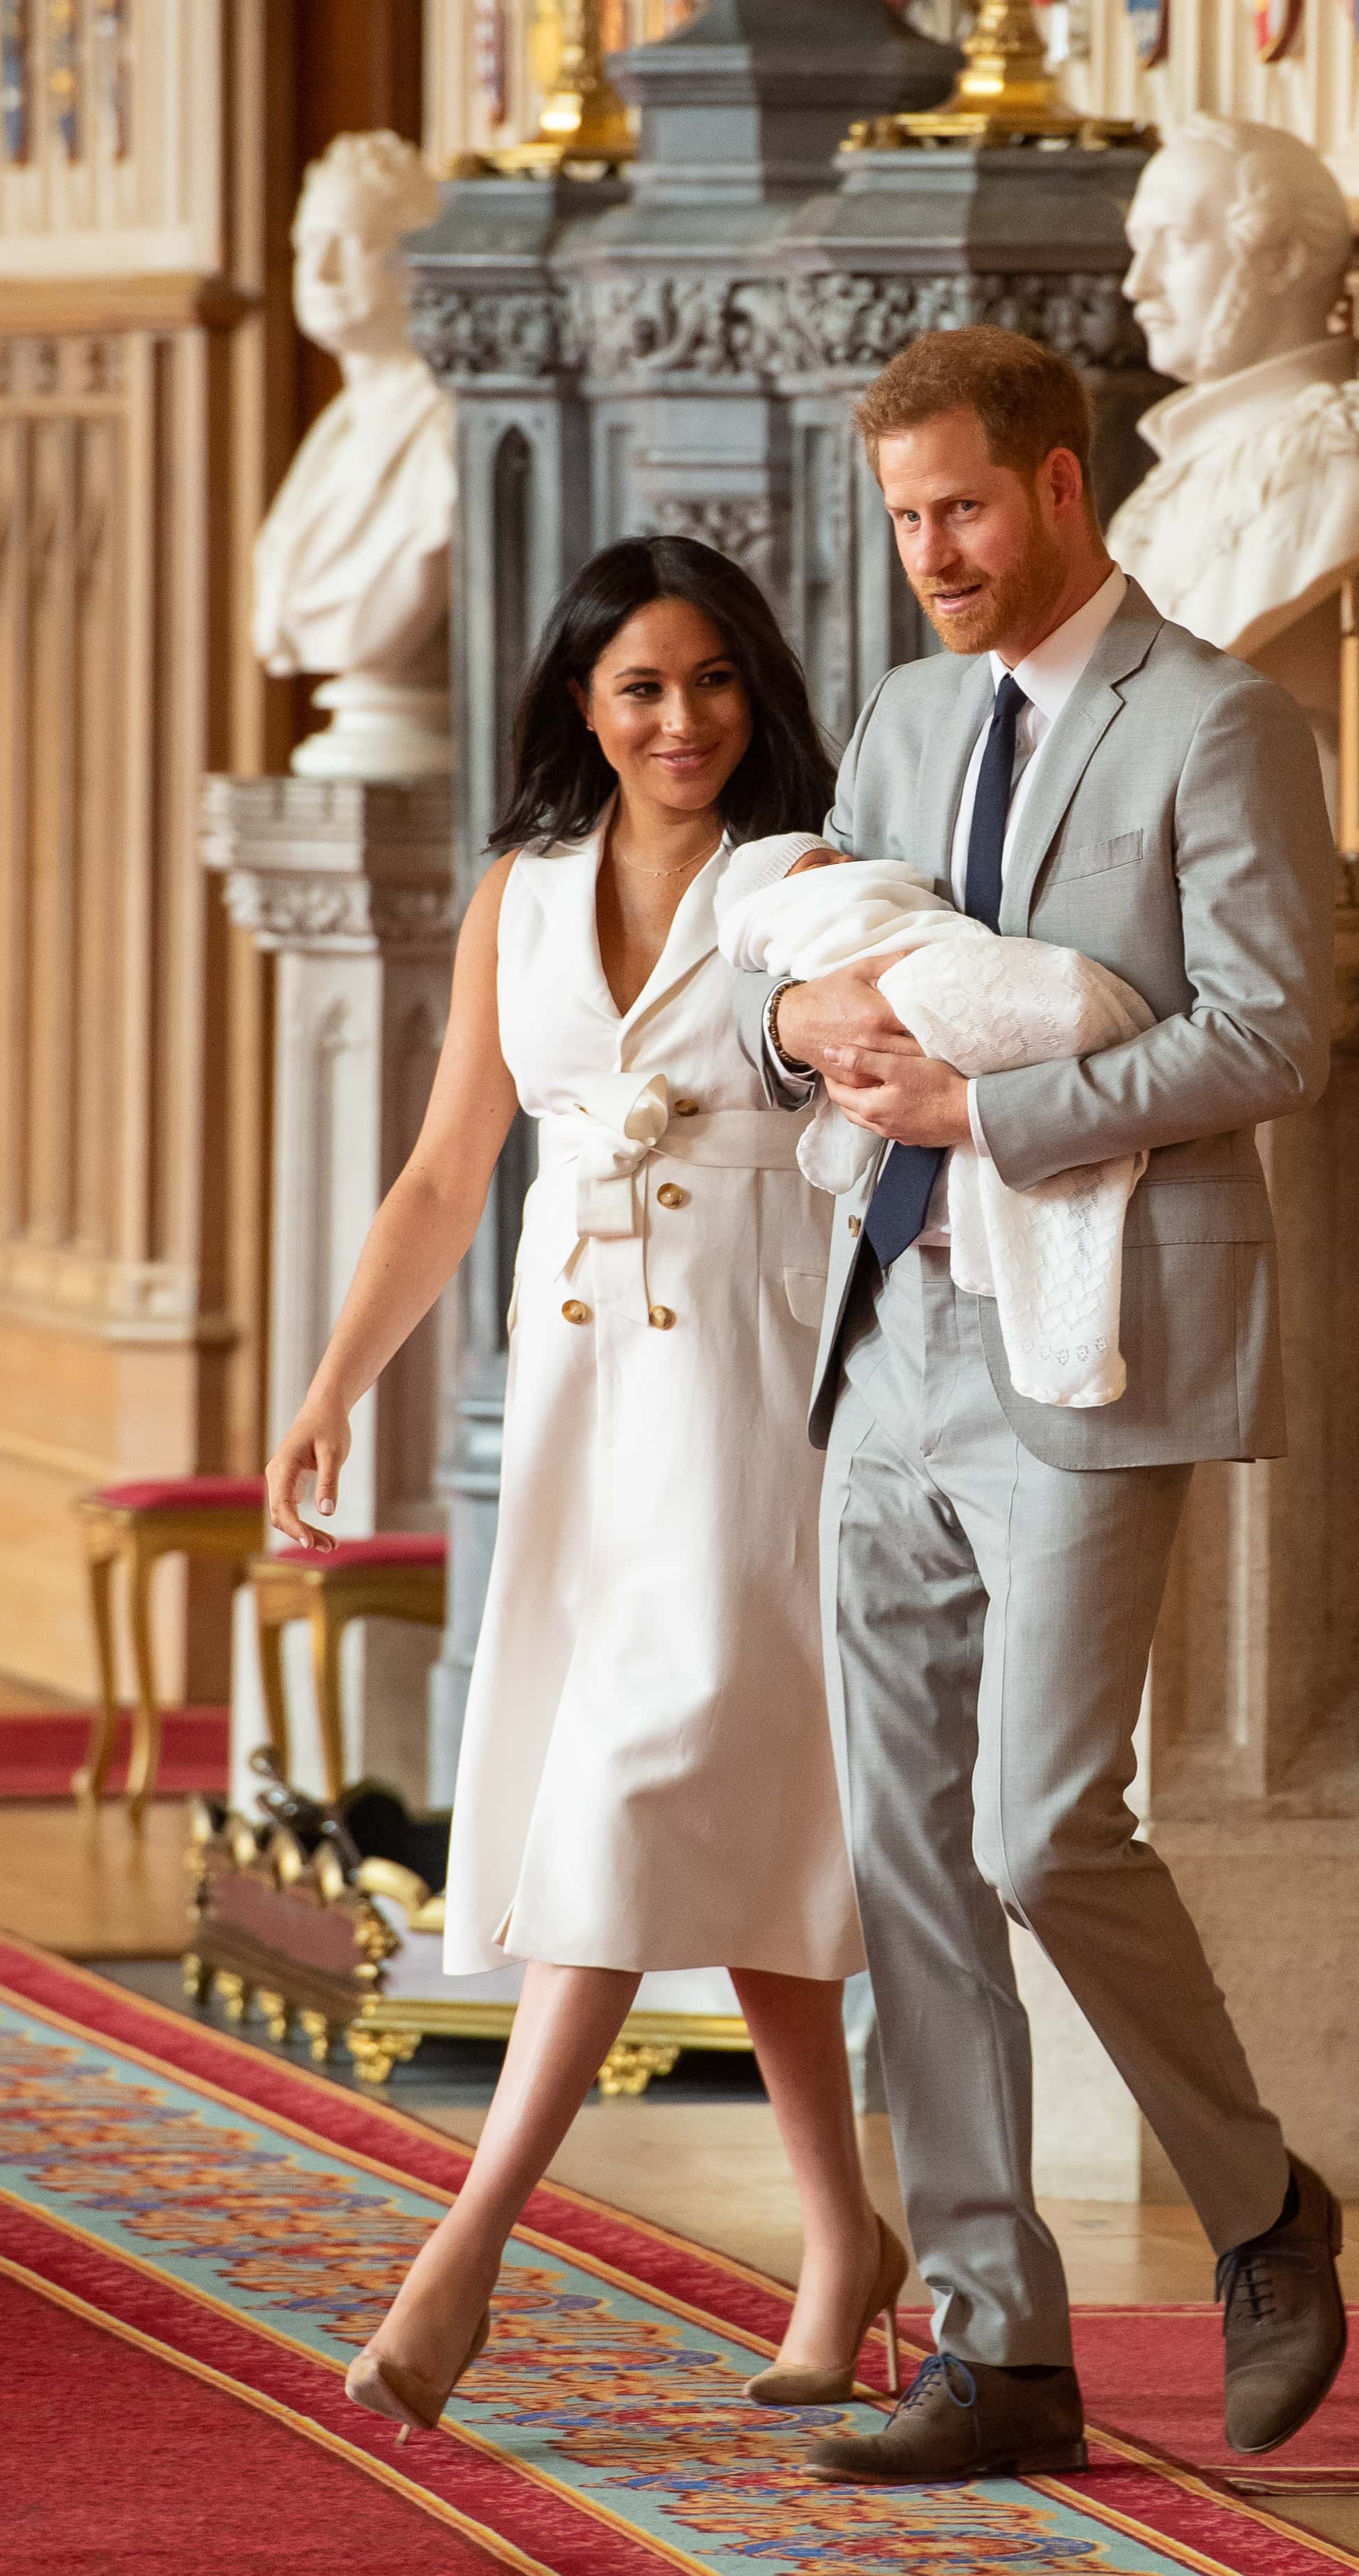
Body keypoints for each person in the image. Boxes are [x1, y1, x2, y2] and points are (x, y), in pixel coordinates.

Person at [738, 326, 1346, 2482]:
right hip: (888, 1330)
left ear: (1065, 486)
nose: (935, 557)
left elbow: (1274, 1037)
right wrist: (791, 1016)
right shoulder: (907, 715)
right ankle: (998, 2345)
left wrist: (1001, 1111)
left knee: (1032, 1826)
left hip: (1093, 1343)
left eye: (966, 512)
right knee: (904, 1859)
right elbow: (806, 952)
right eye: (907, 522)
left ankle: (1265, 2210)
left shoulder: (1222, 724)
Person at [265, 535, 903, 2441]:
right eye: (641, 686)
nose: (684, 718)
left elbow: (882, 1090)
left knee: (642, 1794)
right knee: (720, 1817)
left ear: (754, 695)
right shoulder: (521, 896)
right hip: (576, 1401)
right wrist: (329, 1389)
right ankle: (845, 2246)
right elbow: (450, 1170)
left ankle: (463, 2251)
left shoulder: (799, 886)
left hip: (749, 1396)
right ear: (578, 706)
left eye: (713, 682)